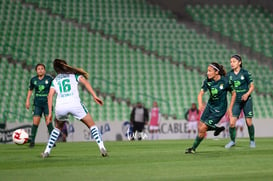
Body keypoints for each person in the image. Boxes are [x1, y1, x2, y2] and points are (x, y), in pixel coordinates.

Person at [41, 59, 107, 158]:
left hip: (61, 106)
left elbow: (49, 96)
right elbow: (85, 82)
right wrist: (94, 95)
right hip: (75, 104)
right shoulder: (74, 75)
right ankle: (102, 147)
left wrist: (50, 113)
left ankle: (47, 151)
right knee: (92, 125)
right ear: (66, 66)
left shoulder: (55, 81)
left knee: (57, 128)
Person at [185, 62, 236, 154]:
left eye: (209, 71)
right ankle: (217, 129)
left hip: (219, 109)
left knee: (202, 128)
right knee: (201, 127)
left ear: (216, 72)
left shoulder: (225, 81)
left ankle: (193, 149)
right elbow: (200, 94)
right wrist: (200, 104)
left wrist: (230, 107)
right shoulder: (207, 81)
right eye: (207, 71)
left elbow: (234, 93)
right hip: (209, 106)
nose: (207, 73)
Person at [225, 55, 256, 148]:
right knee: (231, 123)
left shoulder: (245, 73)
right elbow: (229, 88)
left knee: (248, 121)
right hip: (236, 101)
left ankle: (252, 141)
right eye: (230, 62)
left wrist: (247, 94)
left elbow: (252, 86)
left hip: (246, 100)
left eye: (234, 61)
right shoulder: (229, 75)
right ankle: (232, 141)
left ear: (240, 62)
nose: (232, 63)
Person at [25, 63, 54, 148]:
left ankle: (52, 142)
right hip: (37, 104)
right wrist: (27, 100)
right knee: (35, 122)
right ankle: (32, 141)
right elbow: (30, 90)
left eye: (42, 68)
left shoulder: (49, 79)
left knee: (48, 122)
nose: (40, 70)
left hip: (47, 104)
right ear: (36, 71)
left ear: (44, 70)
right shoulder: (33, 80)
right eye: (38, 69)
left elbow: (53, 89)